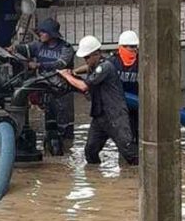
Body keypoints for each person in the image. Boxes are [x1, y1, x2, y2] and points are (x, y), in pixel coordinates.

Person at [58, 36, 138, 165]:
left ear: (97, 54)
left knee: (130, 153)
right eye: (84, 58)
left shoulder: (105, 67)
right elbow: (87, 83)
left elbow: (84, 85)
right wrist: (73, 73)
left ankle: (135, 177)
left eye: (87, 57)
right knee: (90, 151)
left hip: (115, 116)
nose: (86, 60)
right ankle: (95, 179)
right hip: (100, 116)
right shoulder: (94, 68)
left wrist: (66, 75)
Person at [11, 18, 76, 141]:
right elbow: (24, 49)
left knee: (65, 126)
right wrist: (14, 48)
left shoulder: (66, 48)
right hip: (46, 89)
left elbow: (61, 64)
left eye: (43, 32)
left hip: (62, 91)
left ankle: (67, 148)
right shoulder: (38, 45)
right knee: (49, 123)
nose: (40, 34)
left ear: (51, 34)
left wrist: (40, 65)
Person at [112, 30, 140, 143]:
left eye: (135, 47)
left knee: (134, 134)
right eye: (131, 47)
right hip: (119, 104)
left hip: (136, 104)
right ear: (122, 47)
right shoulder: (113, 62)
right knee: (122, 136)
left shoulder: (142, 61)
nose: (134, 49)